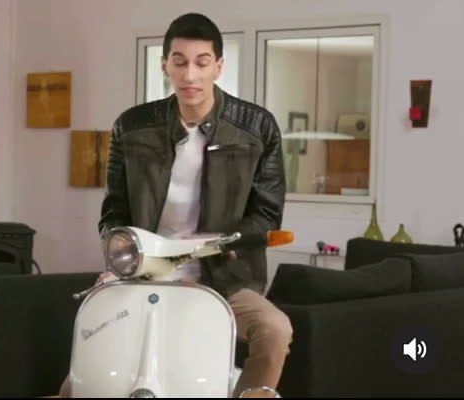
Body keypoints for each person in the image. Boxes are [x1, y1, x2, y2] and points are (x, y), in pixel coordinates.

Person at [61, 13, 292, 397]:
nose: (190, 75)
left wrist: (218, 245)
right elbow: (114, 212)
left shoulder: (257, 127)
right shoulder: (131, 127)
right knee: (79, 377)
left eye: (202, 62)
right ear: (164, 64)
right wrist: (119, 260)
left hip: (225, 279)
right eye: (180, 62)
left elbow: (267, 216)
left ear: (218, 66)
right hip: (143, 272)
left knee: (275, 329)